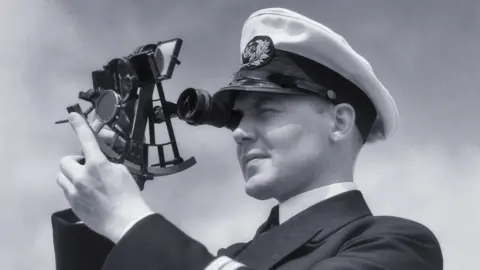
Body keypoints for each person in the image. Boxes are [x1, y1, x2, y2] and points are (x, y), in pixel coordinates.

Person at [51, 7, 443, 270]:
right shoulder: (233, 257)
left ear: (339, 122)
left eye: (267, 111)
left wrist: (128, 219)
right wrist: (94, 214)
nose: (238, 131)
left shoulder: (398, 246)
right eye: (236, 116)